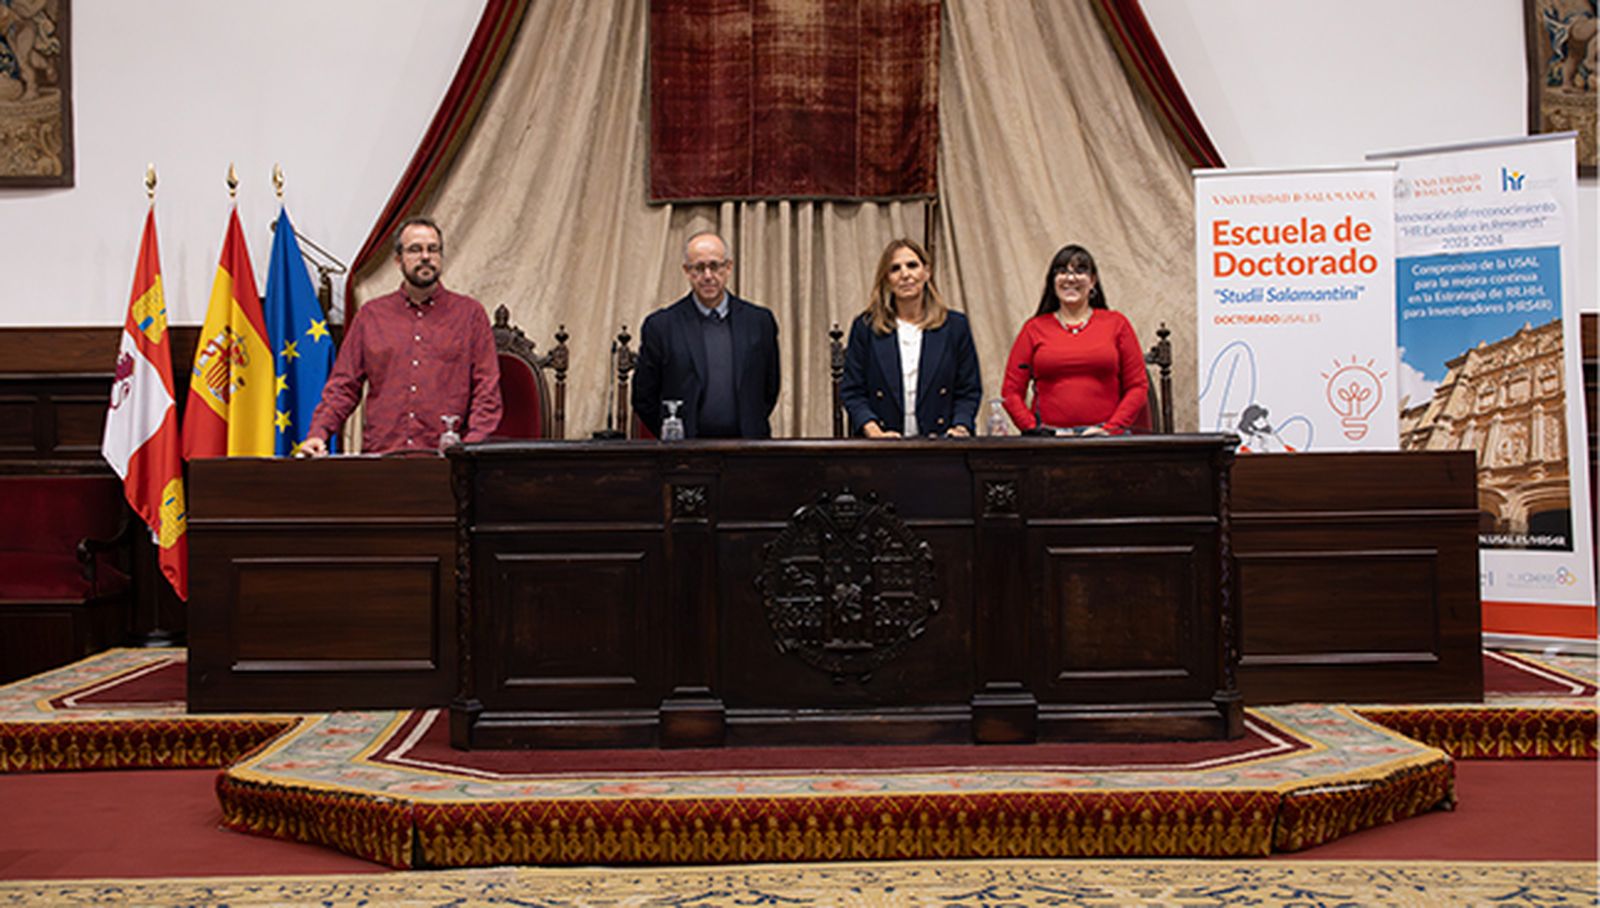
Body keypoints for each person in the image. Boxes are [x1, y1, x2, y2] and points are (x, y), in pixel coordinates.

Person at [300, 217, 501, 456]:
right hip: (383, 460)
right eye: (415, 249)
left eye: (433, 249)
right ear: (398, 260)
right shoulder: (370, 316)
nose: (425, 256)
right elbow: (343, 387)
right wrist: (318, 433)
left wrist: (468, 450)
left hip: (447, 463)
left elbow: (487, 392)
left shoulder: (470, 315)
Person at [632, 231, 780, 439]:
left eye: (715, 266)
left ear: (728, 267)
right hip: (685, 454)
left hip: (748, 451)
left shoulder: (759, 322)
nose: (708, 276)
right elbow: (644, 397)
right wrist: (674, 435)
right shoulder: (661, 326)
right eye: (699, 268)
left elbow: (769, 389)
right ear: (686, 271)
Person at [1001, 244, 1148, 435]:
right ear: (1053, 281)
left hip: (1106, 441)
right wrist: (1035, 430)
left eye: (1080, 271)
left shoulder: (1117, 324)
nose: (1071, 278)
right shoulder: (1034, 329)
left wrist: (1110, 430)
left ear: (1092, 281)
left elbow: (1137, 386)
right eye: (1062, 271)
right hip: (1050, 442)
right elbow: (1010, 392)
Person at [840, 238, 981, 438]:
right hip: (881, 448)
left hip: (941, 446)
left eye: (912, 265)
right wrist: (874, 431)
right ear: (886, 278)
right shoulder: (865, 327)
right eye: (895, 269)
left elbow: (968, 389)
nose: (905, 274)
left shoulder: (955, 326)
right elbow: (853, 391)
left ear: (926, 272)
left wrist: (960, 428)